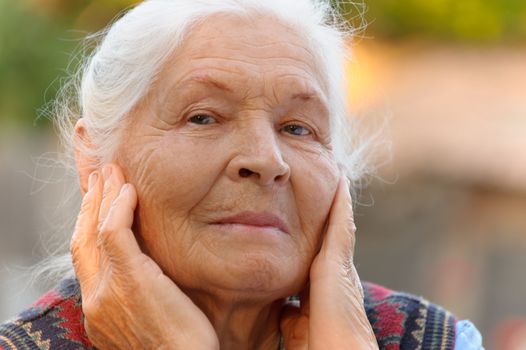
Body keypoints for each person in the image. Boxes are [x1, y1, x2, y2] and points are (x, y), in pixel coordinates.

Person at [0, 0, 484, 349]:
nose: (267, 159)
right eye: (203, 117)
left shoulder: (435, 340)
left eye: (298, 127)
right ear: (93, 159)